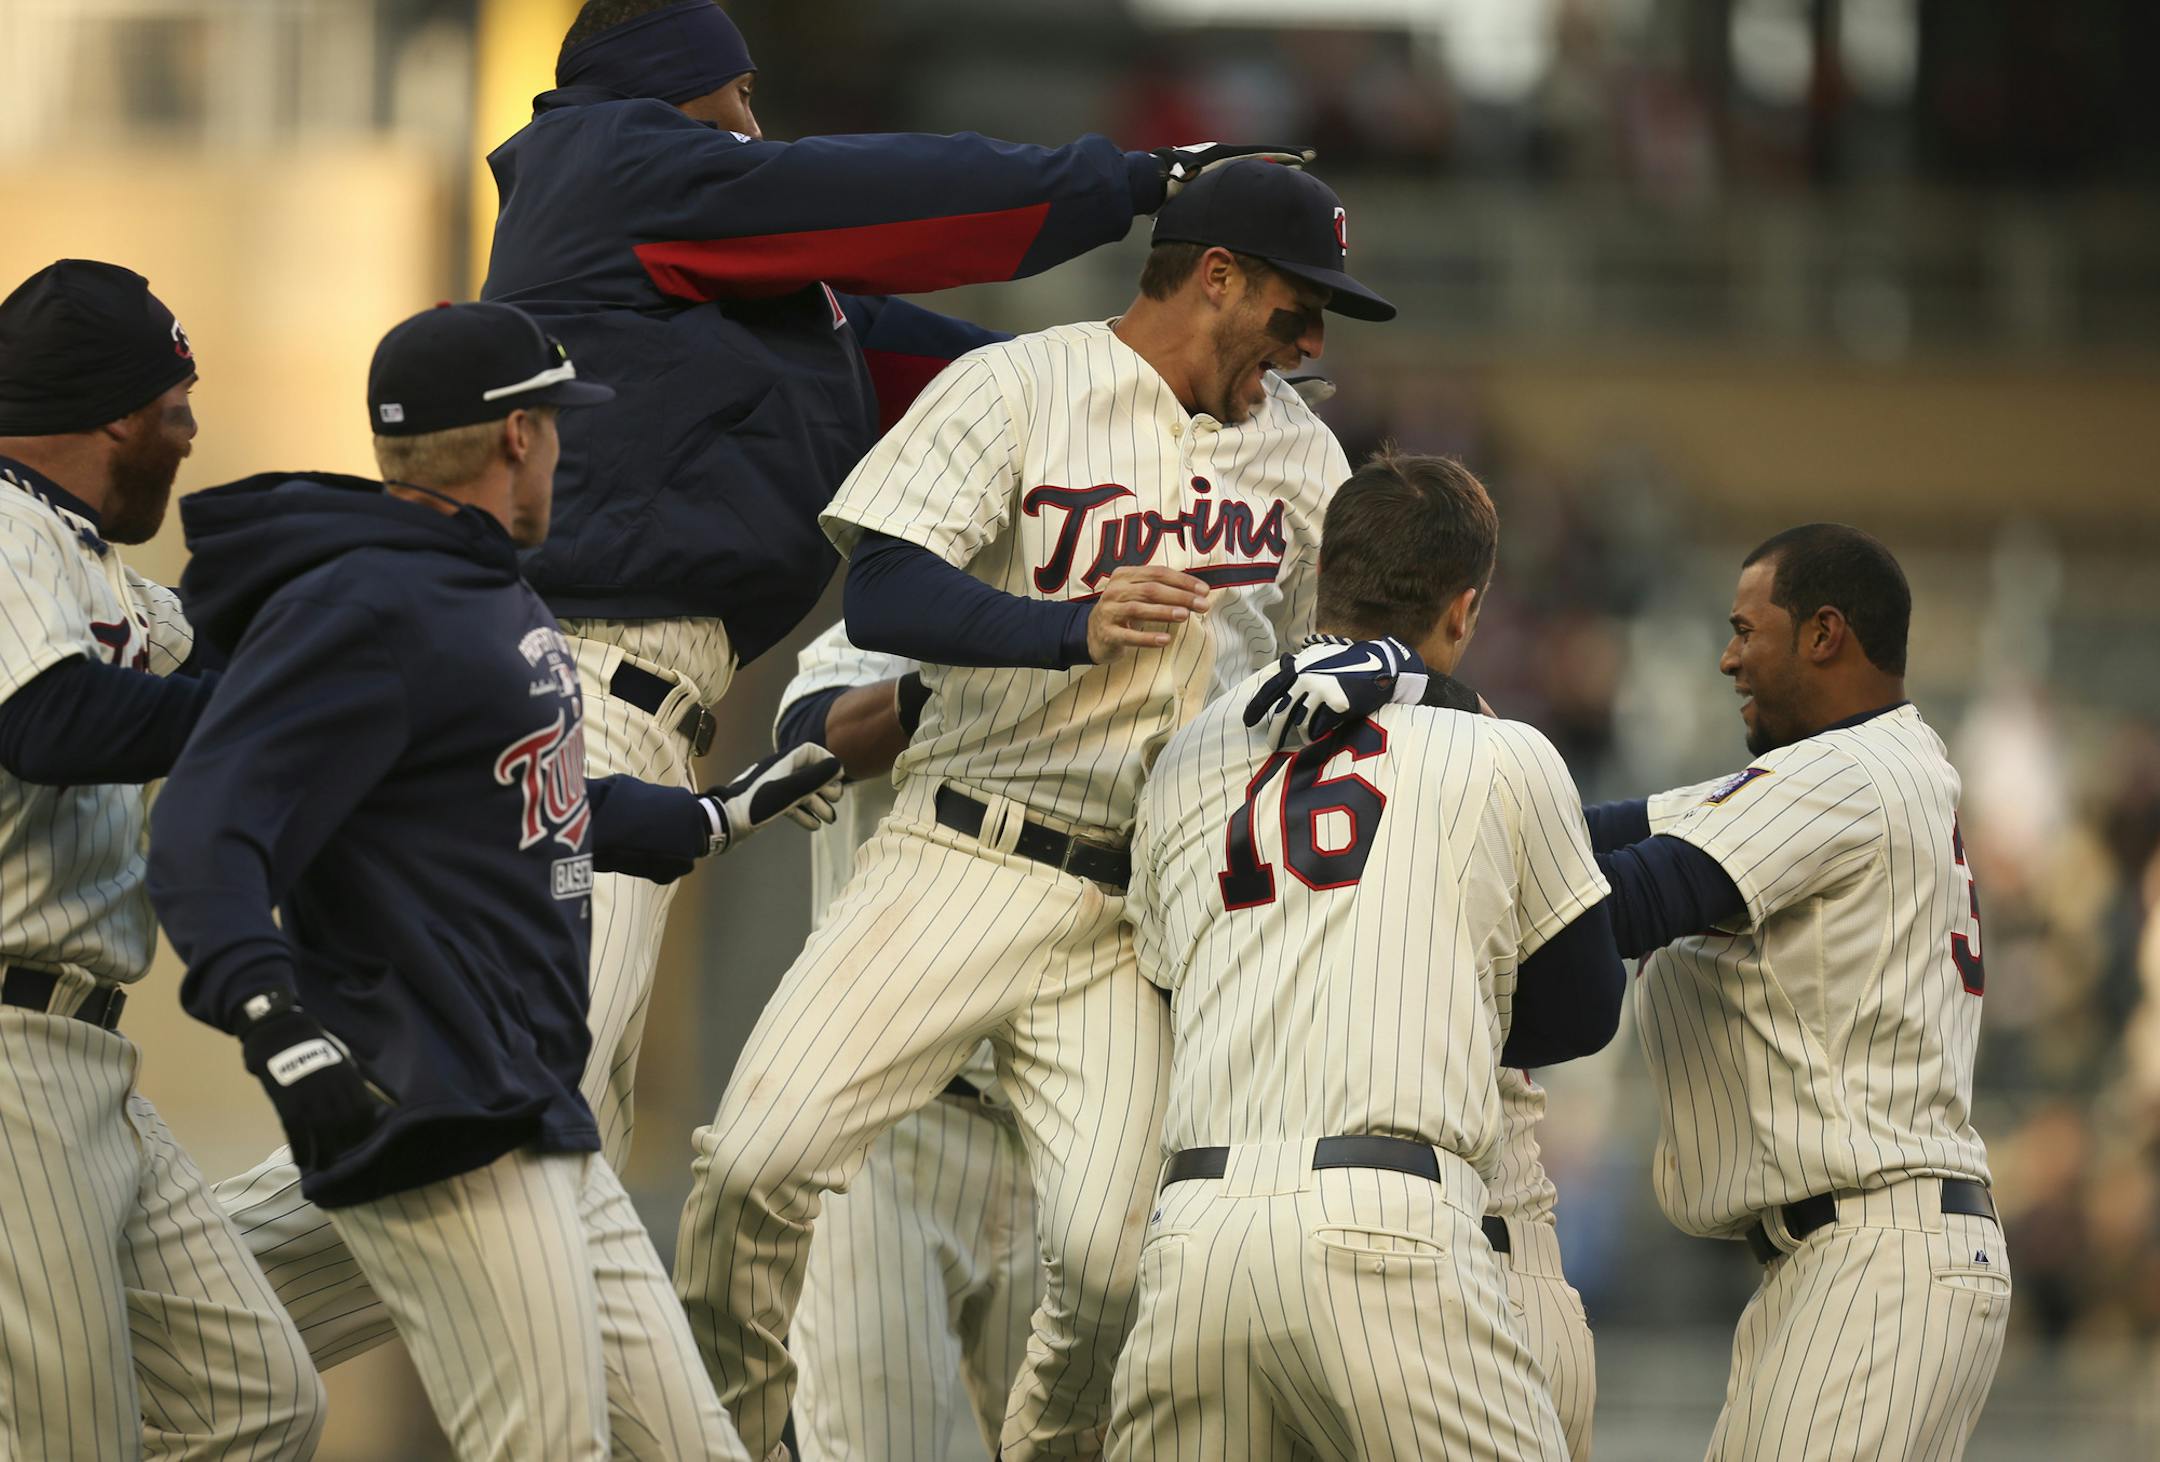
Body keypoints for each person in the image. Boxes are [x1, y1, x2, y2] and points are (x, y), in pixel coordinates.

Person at [476, 0, 1312, 1186]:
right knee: (525, 1146)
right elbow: (879, 199)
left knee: (567, 1158)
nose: (755, 126)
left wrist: (1162, 384)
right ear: (665, 83)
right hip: (588, 682)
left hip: (631, 703)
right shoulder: (613, 162)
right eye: (739, 95)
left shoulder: (732, 288)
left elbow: (1012, 385)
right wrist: (1138, 182)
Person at [673, 158, 1395, 1461]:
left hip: (1135, 912)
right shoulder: (1015, 385)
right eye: (1298, 309)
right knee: (751, 1163)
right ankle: (751, 1433)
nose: (1312, 341)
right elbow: (888, 592)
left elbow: (1318, 680)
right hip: (965, 849)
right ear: (1216, 278)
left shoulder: (1302, 455)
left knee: (1116, 1268)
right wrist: (1070, 625)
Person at [147, 302, 840, 1462]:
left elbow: (520, 805)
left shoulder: (481, 589)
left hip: (528, 1094)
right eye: (559, 423)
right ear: (519, 434)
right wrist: (273, 1016)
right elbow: (208, 832)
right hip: (439, 1099)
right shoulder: (362, 601)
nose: (568, 447)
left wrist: (714, 813)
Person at [1107, 451, 1623, 1460]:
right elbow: (1582, 1008)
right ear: (1465, 610)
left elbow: (1167, 989)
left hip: (1196, 1237)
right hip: (1387, 1220)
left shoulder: (1191, 754)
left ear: (1324, 579)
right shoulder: (1504, 751)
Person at [1585, 524, 2008, 1461]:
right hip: (1866, 1259)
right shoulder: (1856, 769)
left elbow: (1623, 899)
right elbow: (1601, 829)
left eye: (1747, 630)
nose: (1729, 658)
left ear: (1824, 634)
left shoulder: (1847, 775)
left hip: (1874, 1255)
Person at [0, 258, 325, 1460]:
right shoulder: (1, 527)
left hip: (87, 1054)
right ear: (113, 415)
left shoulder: (90, 565)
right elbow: (45, 725)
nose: (190, 434)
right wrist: (273, 701)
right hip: (7, 1056)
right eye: (176, 405)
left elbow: (213, 665)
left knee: (258, 1400)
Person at [773, 622, 1046, 1462]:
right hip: (887, 1128)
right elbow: (808, 736)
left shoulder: (1141, 604)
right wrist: (969, 676)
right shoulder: (906, 599)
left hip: (1065, 1121)